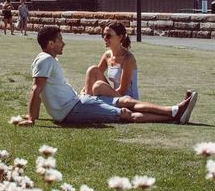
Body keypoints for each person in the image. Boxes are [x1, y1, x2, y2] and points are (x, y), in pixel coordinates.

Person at [19, 26, 198, 127]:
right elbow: (37, 89)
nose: (63, 43)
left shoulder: (44, 60)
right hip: (74, 108)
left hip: (78, 104)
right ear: (51, 43)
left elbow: (41, 91)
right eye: (60, 40)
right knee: (126, 114)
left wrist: (37, 115)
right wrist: (31, 118)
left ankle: (174, 112)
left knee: (124, 106)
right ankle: (174, 114)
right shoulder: (46, 61)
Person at [83, 22, 139, 100]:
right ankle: (86, 100)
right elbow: (95, 75)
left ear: (120, 37)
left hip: (127, 99)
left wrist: (104, 93)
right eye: (103, 35)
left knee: (99, 86)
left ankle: (89, 102)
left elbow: (122, 90)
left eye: (108, 36)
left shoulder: (128, 58)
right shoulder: (107, 55)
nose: (105, 38)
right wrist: (84, 90)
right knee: (92, 70)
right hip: (115, 95)